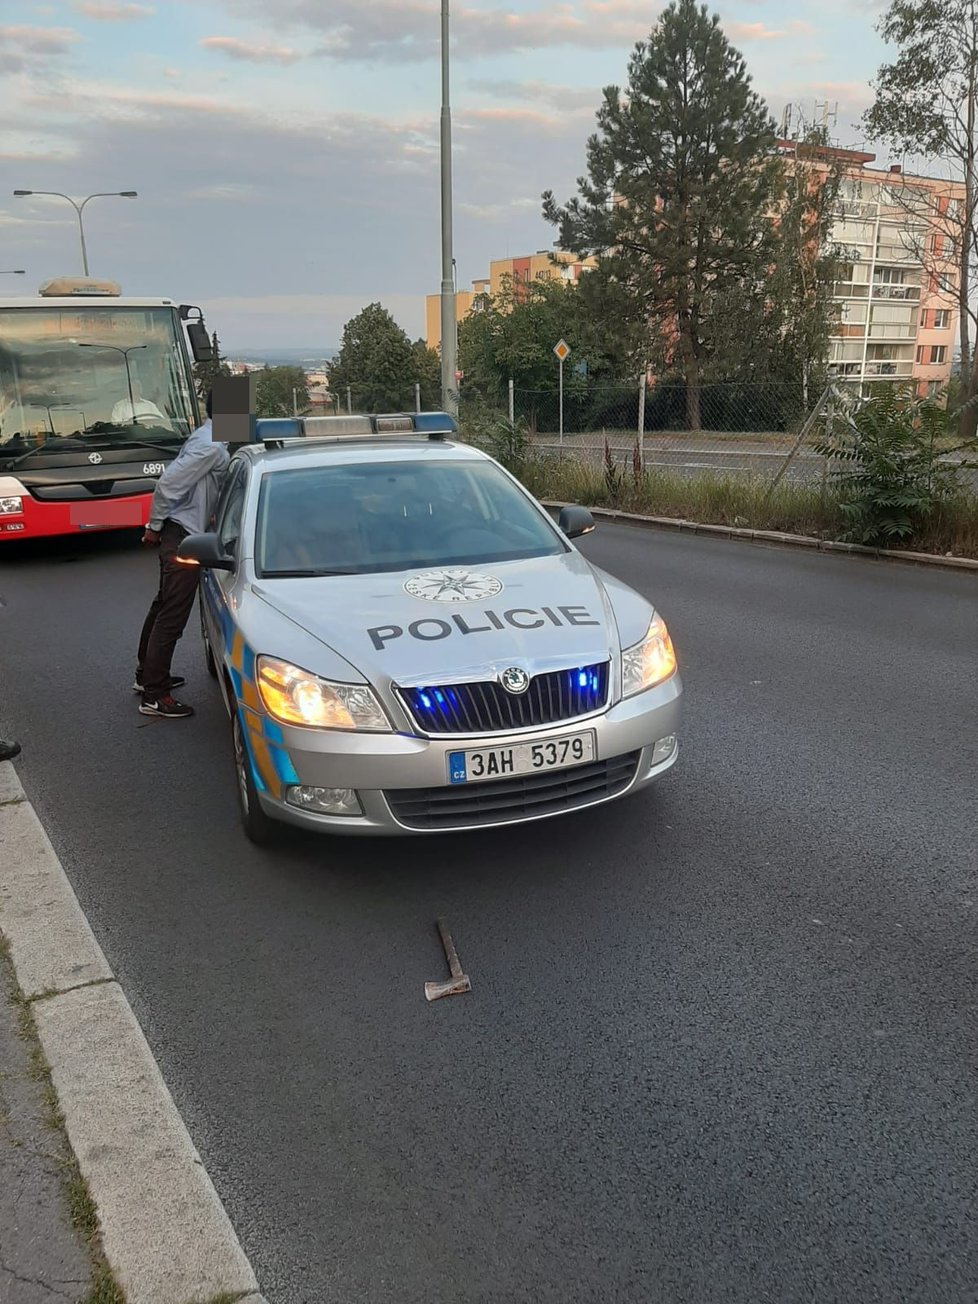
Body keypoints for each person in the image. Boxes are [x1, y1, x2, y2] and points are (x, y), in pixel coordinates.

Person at [135, 391, 229, 718]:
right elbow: (168, 485)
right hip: (183, 535)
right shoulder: (212, 446)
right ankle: (155, 696)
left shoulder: (207, 436)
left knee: (163, 605)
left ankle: (147, 676)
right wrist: (154, 525)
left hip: (180, 529)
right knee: (173, 615)